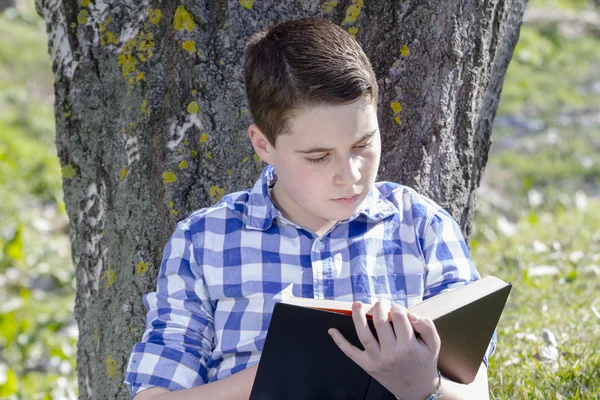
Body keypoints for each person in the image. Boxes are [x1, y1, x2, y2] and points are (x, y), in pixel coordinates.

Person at [124, 17, 496, 400]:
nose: (350, 175)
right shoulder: (204, 242)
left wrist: (423, 386)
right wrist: (276, 375)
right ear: (263, 145)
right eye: (319, 157)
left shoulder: (422, 228)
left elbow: (476, 393)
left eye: (362, 145)